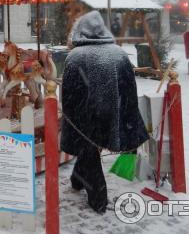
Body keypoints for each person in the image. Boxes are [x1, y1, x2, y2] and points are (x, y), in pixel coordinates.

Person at [60, 11, 148, 213]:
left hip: (86, 117)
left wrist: (68, 120)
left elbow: (69, 95)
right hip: (115, 114)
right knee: (88, 151)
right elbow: (129, 91)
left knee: (88, 149)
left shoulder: (75, 57)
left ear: (81, 32)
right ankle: (77, 180)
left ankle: (98, 200)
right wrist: (127, 119)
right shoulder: (119, 54)